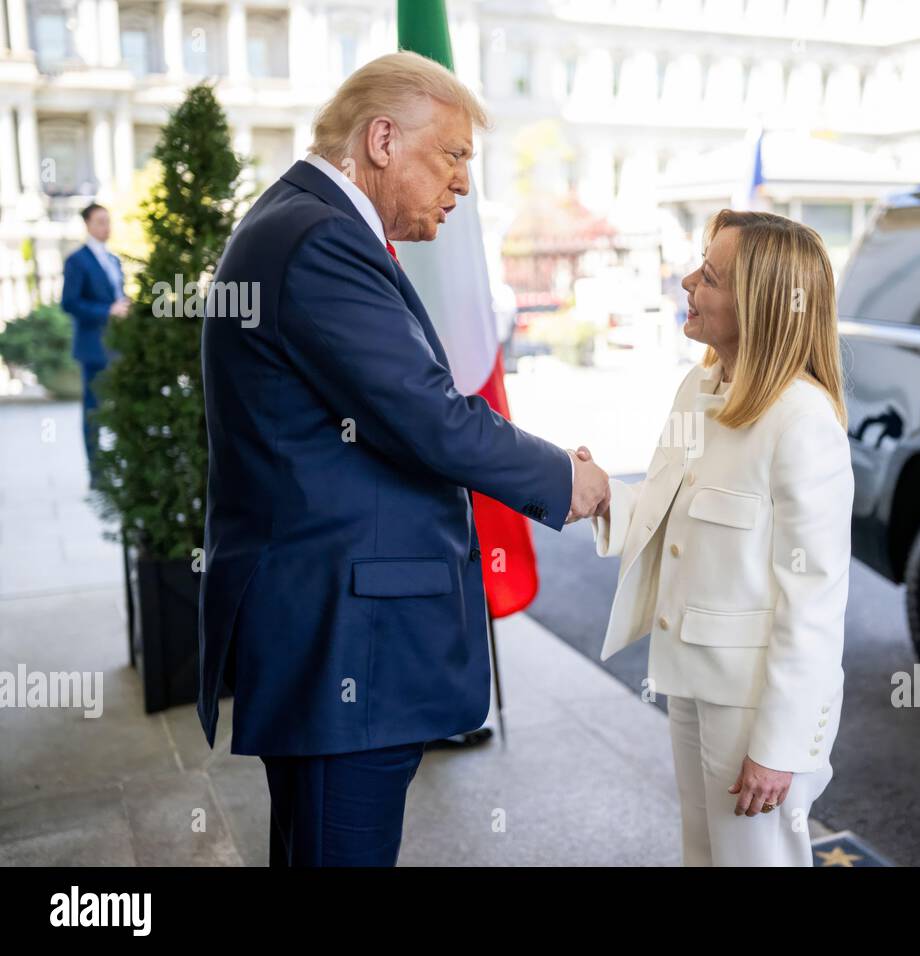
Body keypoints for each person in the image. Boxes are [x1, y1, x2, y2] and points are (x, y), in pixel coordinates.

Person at [198, 52, 609, 867]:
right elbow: (427, 418)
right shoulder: (317, 239)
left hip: (335, 632)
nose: (462, 184)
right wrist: (570, 479)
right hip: (342, 645)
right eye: (452, 154)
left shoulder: (307, 223)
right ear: (382, 138)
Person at [585, 210, 853, 866]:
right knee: (704, 855)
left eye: (708, 276)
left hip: (753, 704)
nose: (686, 282)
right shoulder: (697, 388)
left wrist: (780, 744)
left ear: (760, 304)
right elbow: (663, 508)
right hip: (691, 675)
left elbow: (814, 604)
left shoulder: (802, 420)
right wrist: (596, 495)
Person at [61, 202, 129, 474]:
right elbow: (70, 303)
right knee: (93, 409)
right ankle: (96, 472)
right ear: (87, 224)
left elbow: (115, 297)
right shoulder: (77, 261)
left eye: (108, 221)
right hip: (93, 347)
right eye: (100, 221)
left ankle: (122, 467)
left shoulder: (113, 260)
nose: (106, 227)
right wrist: (107, 310)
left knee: (121, 406)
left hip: (116, 346)